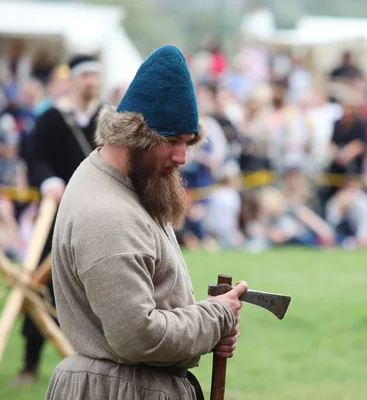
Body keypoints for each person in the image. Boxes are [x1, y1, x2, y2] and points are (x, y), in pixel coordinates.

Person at [45, 45, 248, 400]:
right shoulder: (108, 215)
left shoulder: (131, 182)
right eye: (171, 141)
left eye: (188, 142)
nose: (183, 157)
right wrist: (215, 317)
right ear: (133, 137)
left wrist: (209, 327)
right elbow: (140, 336)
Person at [16, 54, 103, 383]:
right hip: (56, 215)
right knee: (39, 285)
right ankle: (30, 362)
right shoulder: (52, 117)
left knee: (97, 286)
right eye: (85, 76)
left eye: (96, 75)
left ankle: (96, 367)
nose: (91, 82)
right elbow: (34, 155)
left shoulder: (107, 117)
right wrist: (49, 180)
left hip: (96, 217)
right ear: (73, 80)